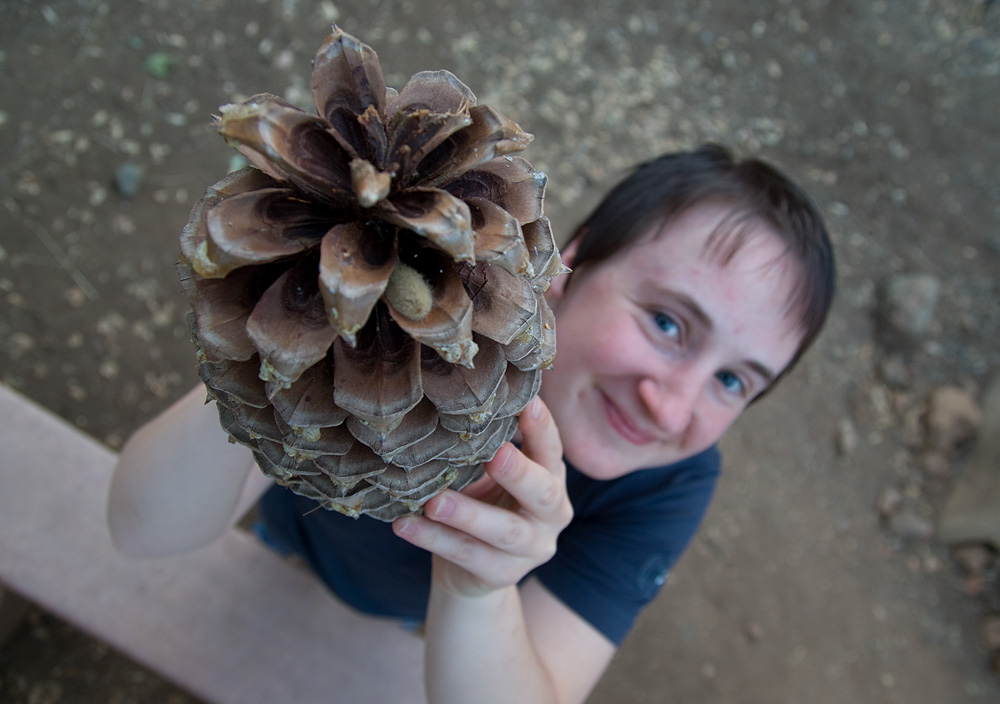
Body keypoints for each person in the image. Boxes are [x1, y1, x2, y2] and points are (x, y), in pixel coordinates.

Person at [108, 143, 835, 704]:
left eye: (733, 380)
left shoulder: (667, 482)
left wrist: (475, 594)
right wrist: (273, 360)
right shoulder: (401, 317)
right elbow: (140, 530)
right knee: (276, 557)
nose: (670, 406)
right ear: (568, 262)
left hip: (413, 626)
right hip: (287, 529)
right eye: (669, 323)